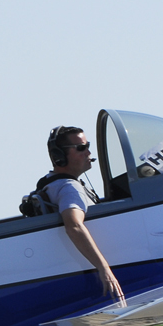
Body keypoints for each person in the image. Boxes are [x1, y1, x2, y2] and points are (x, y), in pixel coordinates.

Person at [40, 126, 124, 302]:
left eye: (87, 146)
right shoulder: (70, 188)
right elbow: (74, 225)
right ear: (59, 157)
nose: (88, 152)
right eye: (80, 148)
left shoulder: (50, 183)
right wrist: (104, 268)